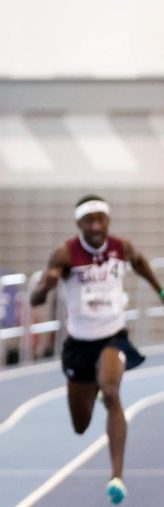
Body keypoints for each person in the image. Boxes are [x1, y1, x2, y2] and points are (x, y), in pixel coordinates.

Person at [30, 195, 164, 505]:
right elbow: (35, 300)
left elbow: (141, 263)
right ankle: (95, 385)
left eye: (101, 219)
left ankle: (116, 477)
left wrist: (159, 290)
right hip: (79, 344)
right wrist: (46, 286)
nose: (96, 226)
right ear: (79, 224)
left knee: (113, 392)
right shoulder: (65, 254)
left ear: (108, 221)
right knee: (81, 424)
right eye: (89, 221)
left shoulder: (121, 248)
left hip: (112, 336)